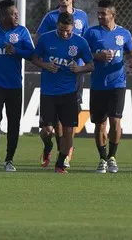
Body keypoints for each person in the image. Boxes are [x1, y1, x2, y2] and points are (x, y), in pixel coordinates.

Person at [32, 12, 93, 174]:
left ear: (72, 27)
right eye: (61, 30)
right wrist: (45, 65)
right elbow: (35, 58)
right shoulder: (45, 39)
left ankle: (60, 163)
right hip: (48, 92)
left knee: (68, 130)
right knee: (47, 131)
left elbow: (90, 65)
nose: (65, 34)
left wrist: (79, 69)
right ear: (57, 26)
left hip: (69, 92)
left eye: (68, 31)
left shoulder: (80, 42)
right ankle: (48, 146)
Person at [0, 0, 34, 172]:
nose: (17, 16)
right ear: (3, 16)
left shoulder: (22, 32)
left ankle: (9, 159)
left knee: (14, 122)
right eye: (13, 14)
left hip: (15, 85)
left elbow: (32, 54)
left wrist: (16, 51)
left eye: (17, 13)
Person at [85, 0, 132, 173]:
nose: (99, 16)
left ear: (112, 15)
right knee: (100, 124)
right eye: (98, 13)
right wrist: (97, 56)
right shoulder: (91, 33)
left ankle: (112, 157)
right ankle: (102, 158)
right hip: (98, 84)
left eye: (103, 14)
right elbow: (83, 55)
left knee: (115, 121)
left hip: (118, 83)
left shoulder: (124, 33)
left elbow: (130, 50)